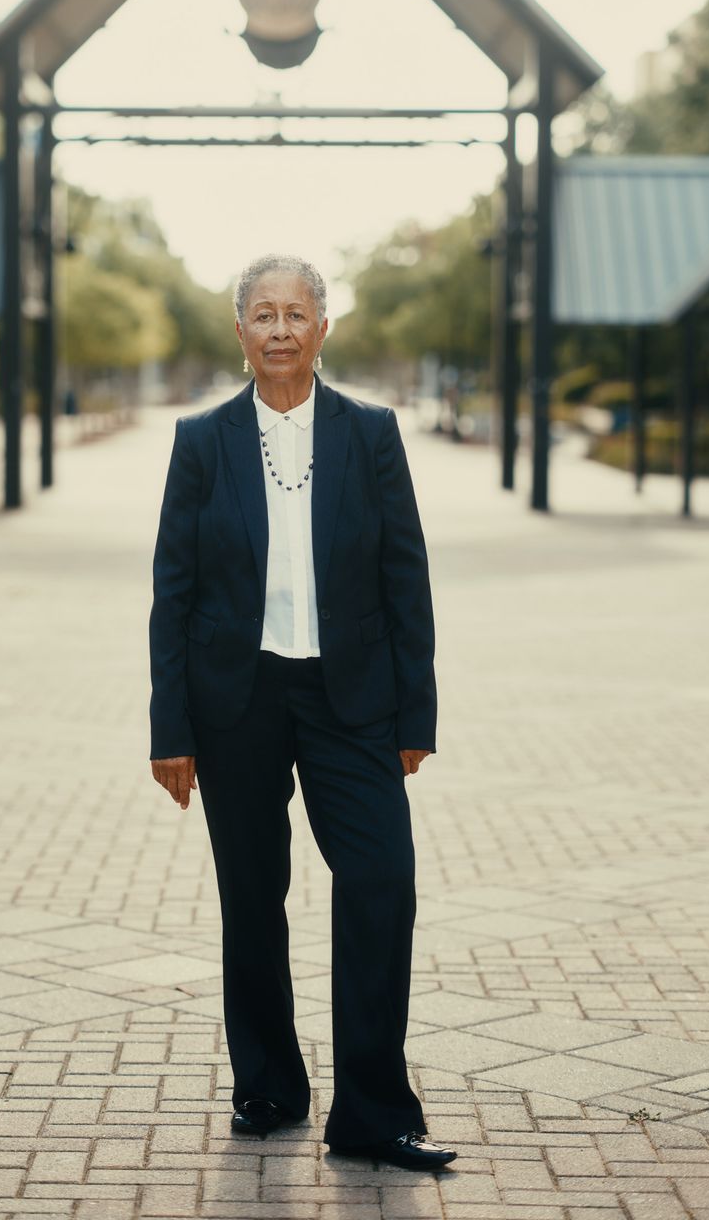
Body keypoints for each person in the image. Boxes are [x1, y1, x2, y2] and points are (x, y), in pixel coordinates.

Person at [148, 253, 455, 1172]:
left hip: (349, 698)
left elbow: (407, 576)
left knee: (380, 884)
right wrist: (171, 729)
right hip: (234, 698)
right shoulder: (202, 441)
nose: (280, 329)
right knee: (253, 897)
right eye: (262, 314)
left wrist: (414, 716)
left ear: (324, 327)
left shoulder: (371, 433)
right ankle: (270, 1085)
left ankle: (372, 1110)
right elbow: (172, 590)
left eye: (296, 313)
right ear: (238, 331)